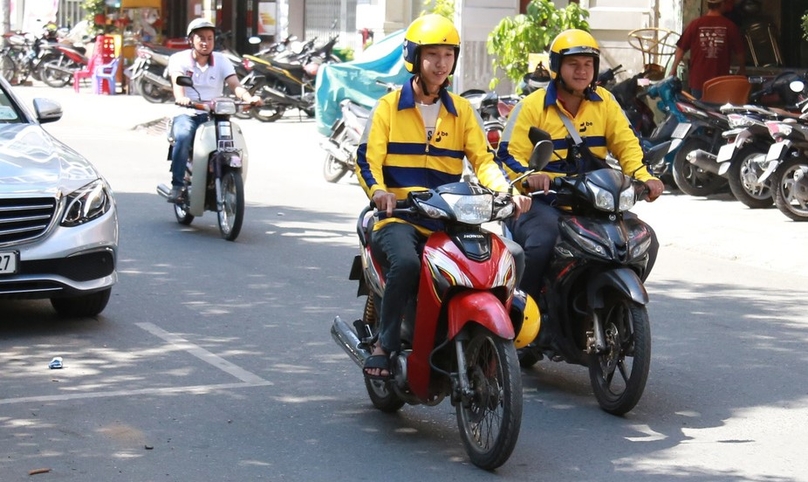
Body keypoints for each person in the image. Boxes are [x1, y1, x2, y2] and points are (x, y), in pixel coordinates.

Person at [355, 14, 532, 379]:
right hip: (399, 217)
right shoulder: (388, 108)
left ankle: (488, 339)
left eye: (448, 55)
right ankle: (385, 345)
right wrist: (379, 193)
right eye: (432, 54)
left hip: (448, 218)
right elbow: (366, 160)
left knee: (510, 255)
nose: (440, 63)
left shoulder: (462, 111)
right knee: (405, 263)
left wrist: (507, 192)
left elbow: (484, 160)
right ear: (415, 58)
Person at [496, 29, 664, 313]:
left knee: (644, 238)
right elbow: (507, 153)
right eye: (574, 64)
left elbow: (627, 145)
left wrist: (644, 177)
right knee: (543, 240)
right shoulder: (532, 106)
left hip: (593, 200)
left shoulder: (605, 102)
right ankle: (523, 318)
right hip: (543, 201)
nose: (582, 71)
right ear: (557, 67)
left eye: (588, 64)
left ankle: (613, 305)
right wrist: (529, 177)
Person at [165, 18, 262, 203]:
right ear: (191, 40)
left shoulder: (221, 60)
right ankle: (177, 185)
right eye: (201, 38)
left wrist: (250, 98)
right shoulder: (179, 59)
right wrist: (182, 98)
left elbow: (234, 84)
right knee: (184, 136)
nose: (205, 42)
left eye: (209, 38)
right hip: (189, 112)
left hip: (215, 113)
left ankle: (225, 176)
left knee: (230, 143)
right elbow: (178, 83)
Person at [668, 0, 746, 99]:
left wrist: (673, 69)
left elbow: (680, 49)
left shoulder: (695, 24)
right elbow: (740, 52)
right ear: (722, 4)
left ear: (707, 5)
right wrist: (742, 69)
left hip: (698, 82)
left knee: (698, 113)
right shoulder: (730, 26)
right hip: (720, 83)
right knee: (716, 113)